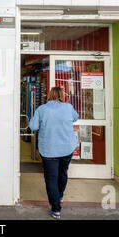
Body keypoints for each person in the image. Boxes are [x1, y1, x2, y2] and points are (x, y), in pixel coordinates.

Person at [29, 87, 79, 219]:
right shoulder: (68, 107)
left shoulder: (42, 109)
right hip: (67, 148)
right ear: (62, 95)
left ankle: (56, 209)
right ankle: (59, 196)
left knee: (51, 178)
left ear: (49, 95)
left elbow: (33, 126)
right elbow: (76, 117)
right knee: (63, 173)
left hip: (49, 150)